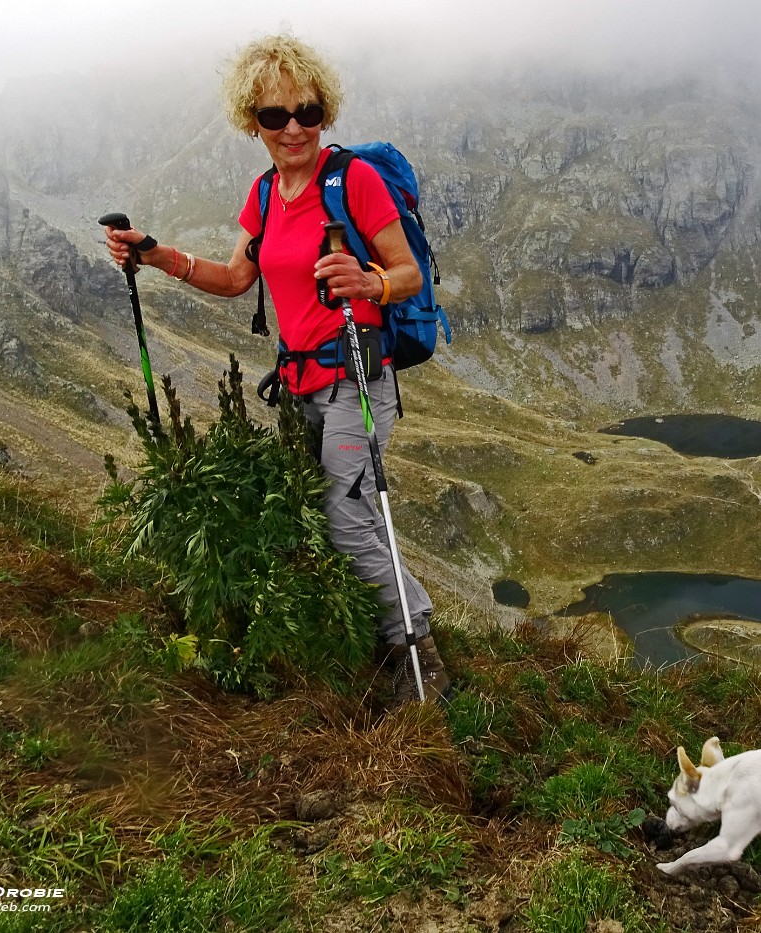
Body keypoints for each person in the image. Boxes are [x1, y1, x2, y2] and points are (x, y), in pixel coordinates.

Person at [103, 34, 449, 709]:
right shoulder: (264, 195)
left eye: (307, 112)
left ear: (325, 112)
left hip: (358, 376)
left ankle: (419, 654)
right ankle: (394, 622)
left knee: (346, 516)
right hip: (299, 387)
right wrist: (154, 253)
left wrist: (368, 281)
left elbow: (408, 273)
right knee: (337, 517)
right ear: (251, 122)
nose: (293, 128)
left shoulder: (356, 182)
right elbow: (236, 277)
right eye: (274, 116)